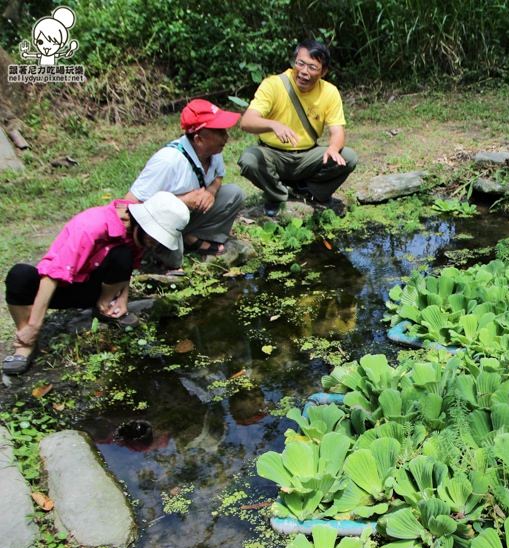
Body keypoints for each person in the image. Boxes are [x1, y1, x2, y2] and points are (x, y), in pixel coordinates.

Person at [2, 192, 189, 376]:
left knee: (122, 254)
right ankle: (26, 344)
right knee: (19, 276)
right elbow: (52, 276)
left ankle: (105, 307)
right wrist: (34, 326)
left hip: (91, 289)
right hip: (59, 287)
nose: (153, 244)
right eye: (153, 238)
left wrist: (122, 299)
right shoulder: (91, 226)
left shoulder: (134, 232)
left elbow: (129, 265)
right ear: (142, 222)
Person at [238, 39, 357, 217]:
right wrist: (273, 125)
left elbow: (337, 131)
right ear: (294, 61)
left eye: (312, 67)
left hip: (307, 156)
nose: (303, 72)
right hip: (273, 154)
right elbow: (246, 121)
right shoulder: (273, 85)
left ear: (323, 72)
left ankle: (311, 192)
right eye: (300, 63)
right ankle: (277, 196)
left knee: (348, 157)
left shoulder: (330, 92)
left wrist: (333, 148)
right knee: (249, 160)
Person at [126, 99, 244, 268]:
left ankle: (190, 237)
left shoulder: (214, 151)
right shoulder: (168, 161)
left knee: (234, 194)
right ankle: (158, 254)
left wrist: (211, 191)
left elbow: (219, 176)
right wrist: (182, 201)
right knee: (174, 262)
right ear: (199, 139)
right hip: (163, 225)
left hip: (188, 217)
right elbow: (130, 203)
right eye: (219, 132)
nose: (226, 136)